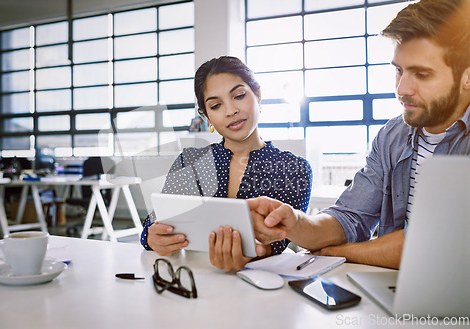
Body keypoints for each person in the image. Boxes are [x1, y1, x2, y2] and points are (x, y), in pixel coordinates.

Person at [248, 0, 470, 270]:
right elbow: (350, 216)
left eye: (421, 74)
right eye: (398, 70)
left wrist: (341, 252)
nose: (401, 89)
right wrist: (295, 223)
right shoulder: (392, 135)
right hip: (392, 290)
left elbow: (433, 245)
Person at [140, 56, 312, 271]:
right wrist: (151, 237)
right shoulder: (191, 161)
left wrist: (256, 252)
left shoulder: (293, 168)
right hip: (193, 277)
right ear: (207, 117)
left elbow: (280, 240)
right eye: (216, 105)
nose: (230, 111)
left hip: (260, 281)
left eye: (238, 95)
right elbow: (156, 221)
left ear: (258, 95)